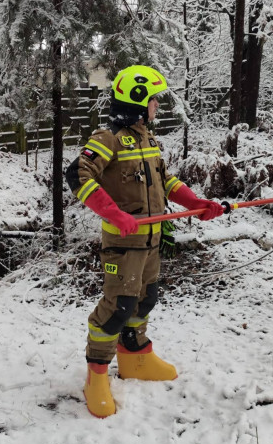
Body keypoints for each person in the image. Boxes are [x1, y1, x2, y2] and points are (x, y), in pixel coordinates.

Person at [66, 65, 224, 418]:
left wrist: (196, 203)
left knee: (145, 298)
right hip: (123, 246)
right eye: (154, 100)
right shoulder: (107, 139)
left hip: (151, 242)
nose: (157, 106)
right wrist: (112, 213)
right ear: (138, 101)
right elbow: (77, 173)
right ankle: (96, 376)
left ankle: (135, 356)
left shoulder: (149, 141)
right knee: (117, 308)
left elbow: (165, 181)